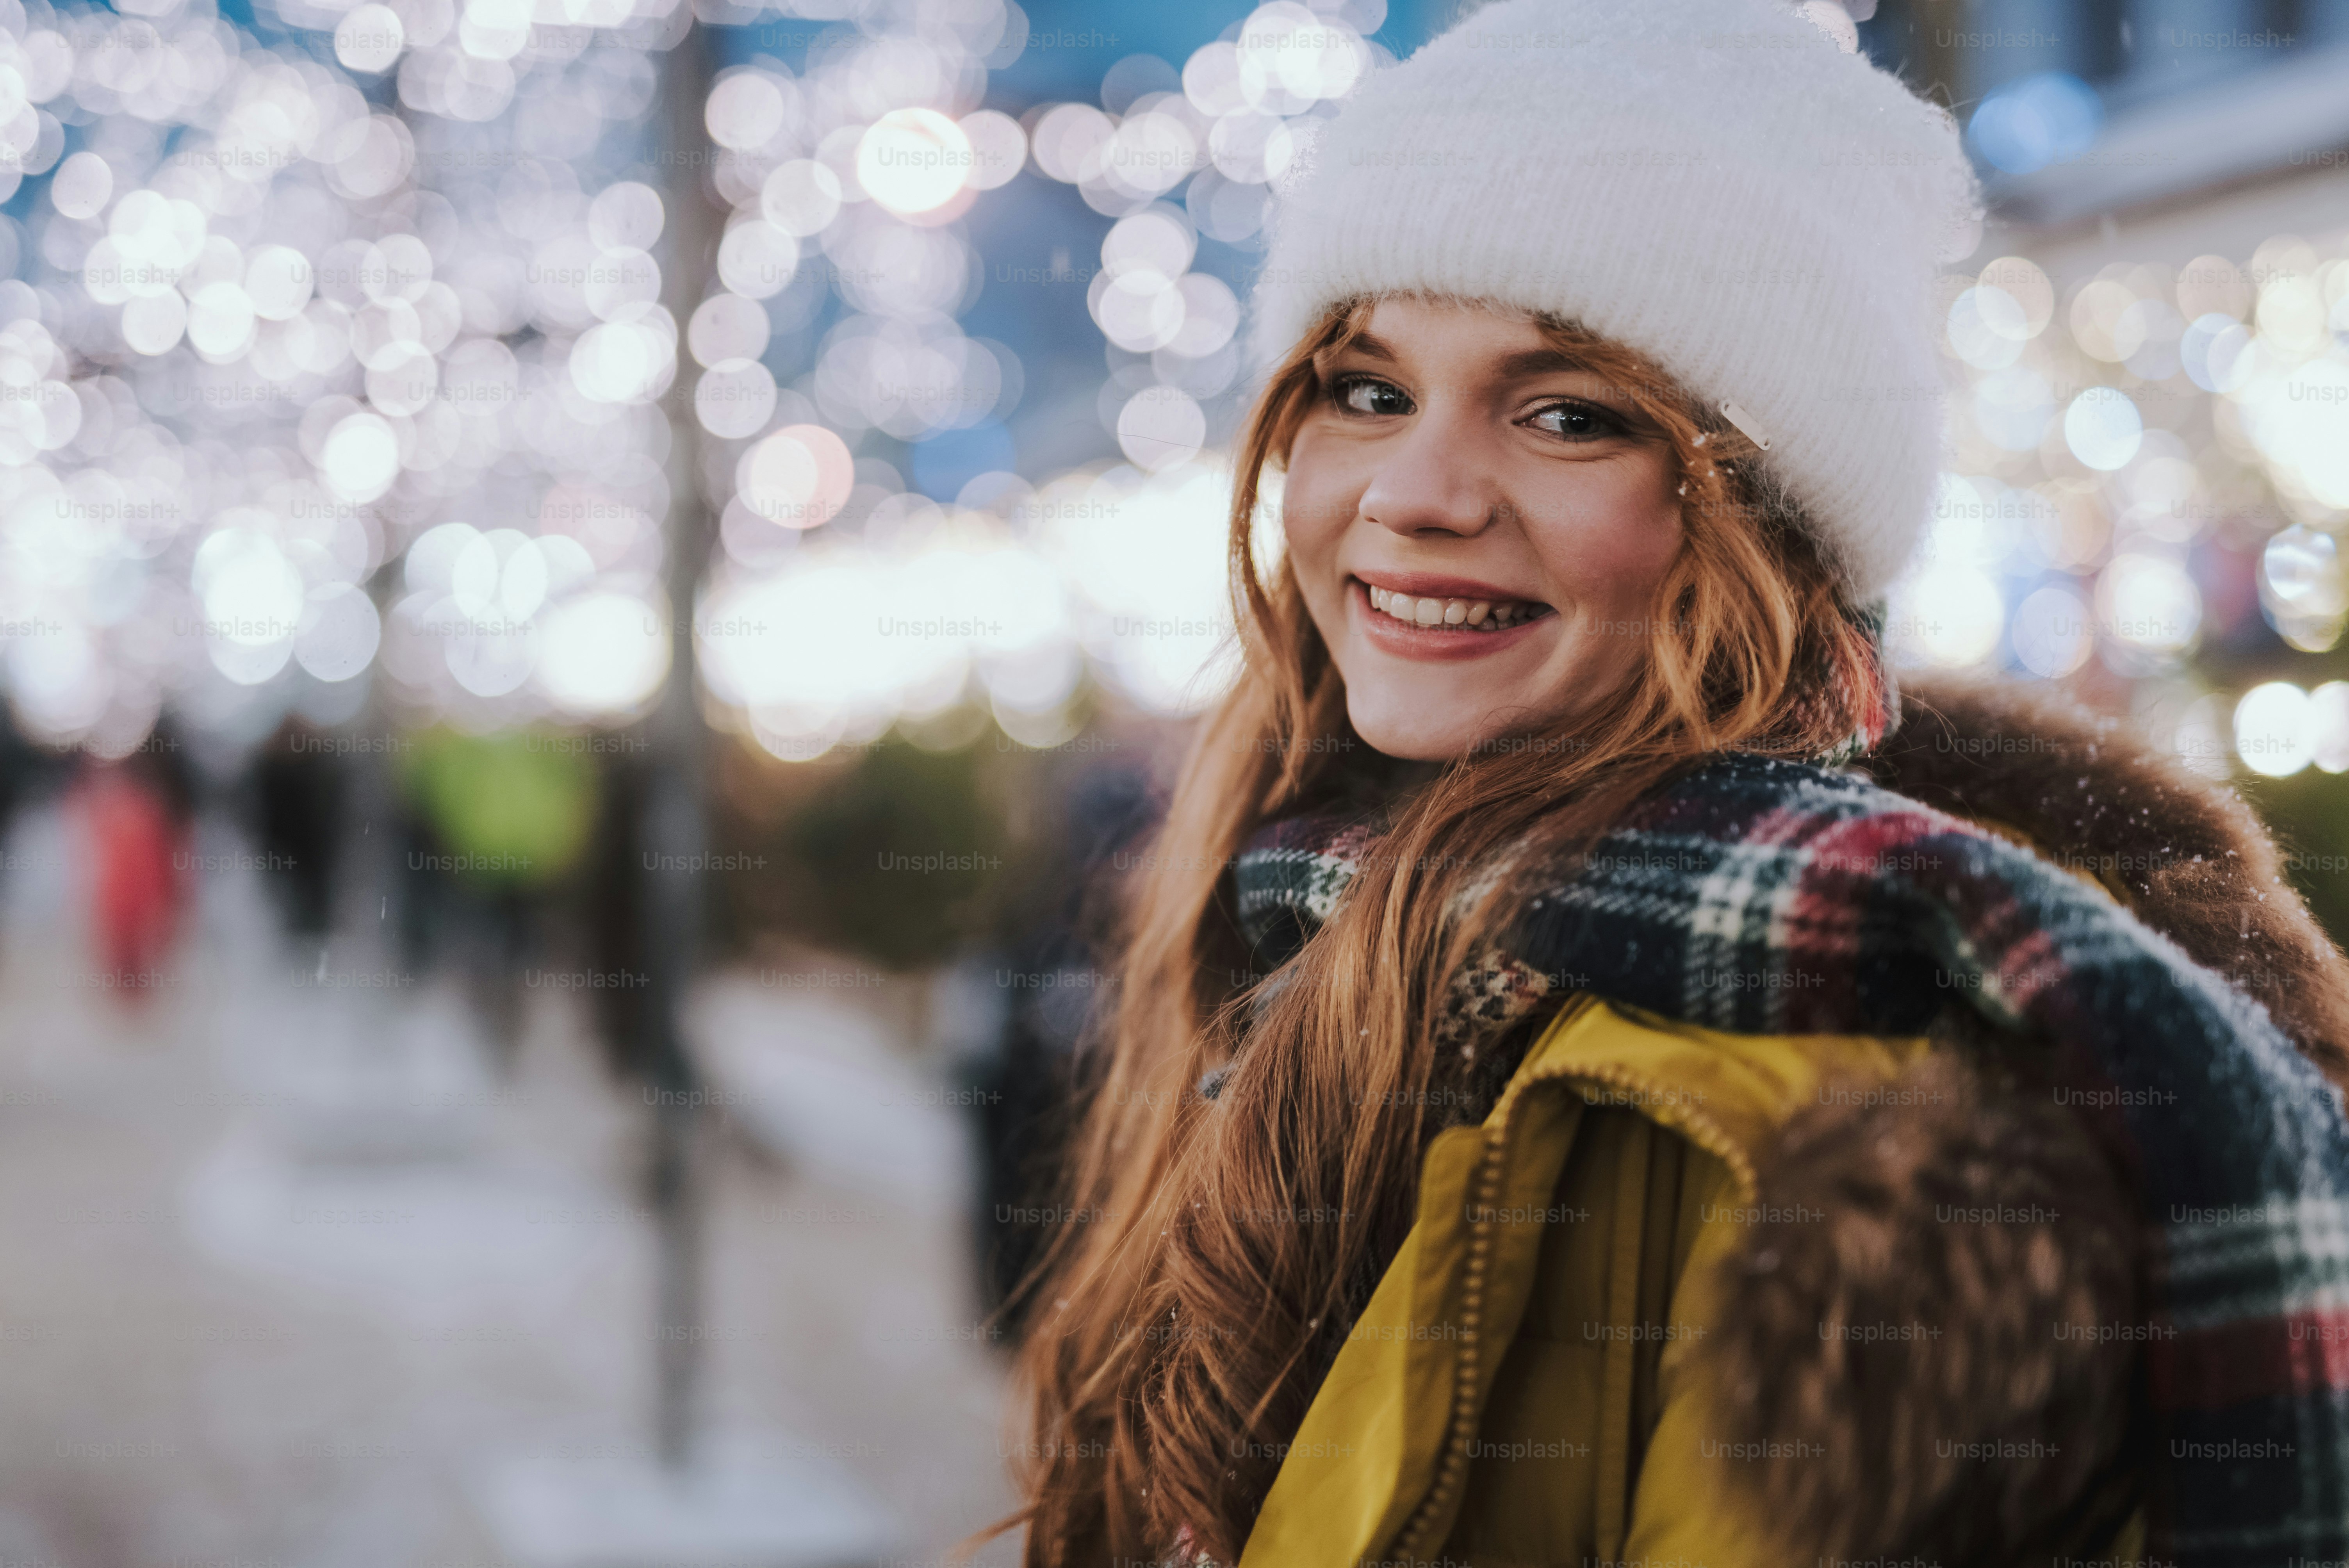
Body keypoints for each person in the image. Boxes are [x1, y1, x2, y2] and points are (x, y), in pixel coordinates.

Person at [996, 2, 2349, 1564]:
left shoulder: (1847, 1114)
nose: (1414, 493)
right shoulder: (1299, 920)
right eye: (1366, 390)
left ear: (1770, 520)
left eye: (1569, 415)